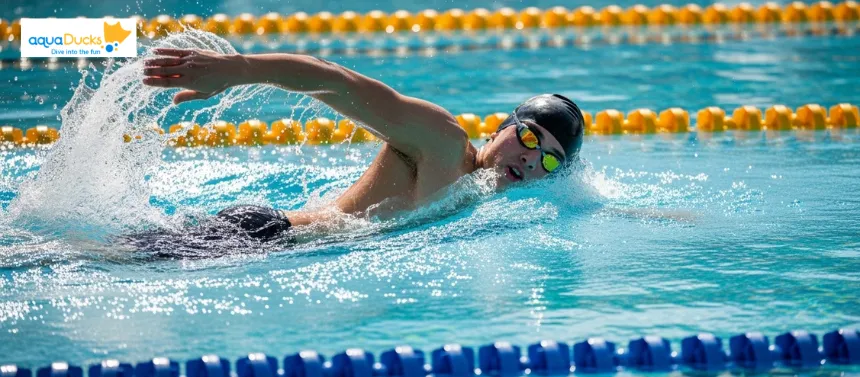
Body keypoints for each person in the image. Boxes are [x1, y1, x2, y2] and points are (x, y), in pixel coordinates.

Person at [142, 48, 585, 242]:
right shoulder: (443, 142)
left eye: (548, 159)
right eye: (529, 136)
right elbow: (335, 81)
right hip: (260, 236)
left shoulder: (487, 197)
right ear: (500, 128)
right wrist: (236, 69)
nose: (531, 159)